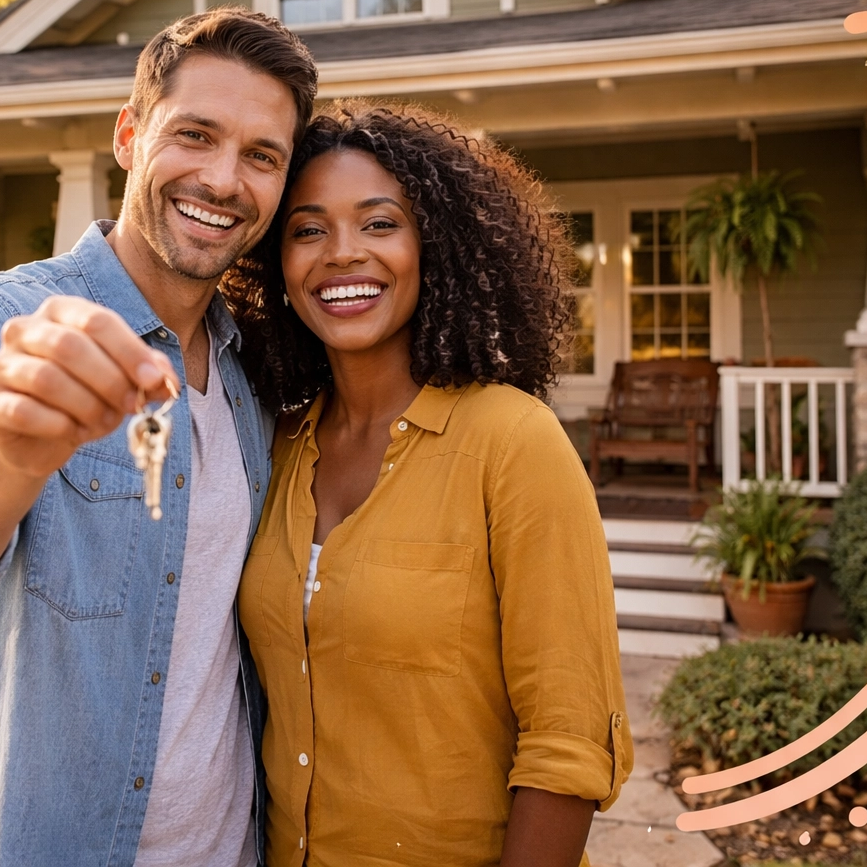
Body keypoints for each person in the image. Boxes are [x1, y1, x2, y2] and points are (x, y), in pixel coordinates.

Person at [0, 7, 318, 867]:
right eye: (195, 135)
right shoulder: (2, 321)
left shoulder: (254, 375)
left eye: (262, 156)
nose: (223, 179)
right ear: (130, 135)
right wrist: (12, 452)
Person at [225, 102, 635, 867]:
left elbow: (569, 742)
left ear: (434, 247)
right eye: (307, 230)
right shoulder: (278, 447)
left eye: (380, 223)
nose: (342, 254)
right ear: (276, 266)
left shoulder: (512, 442)